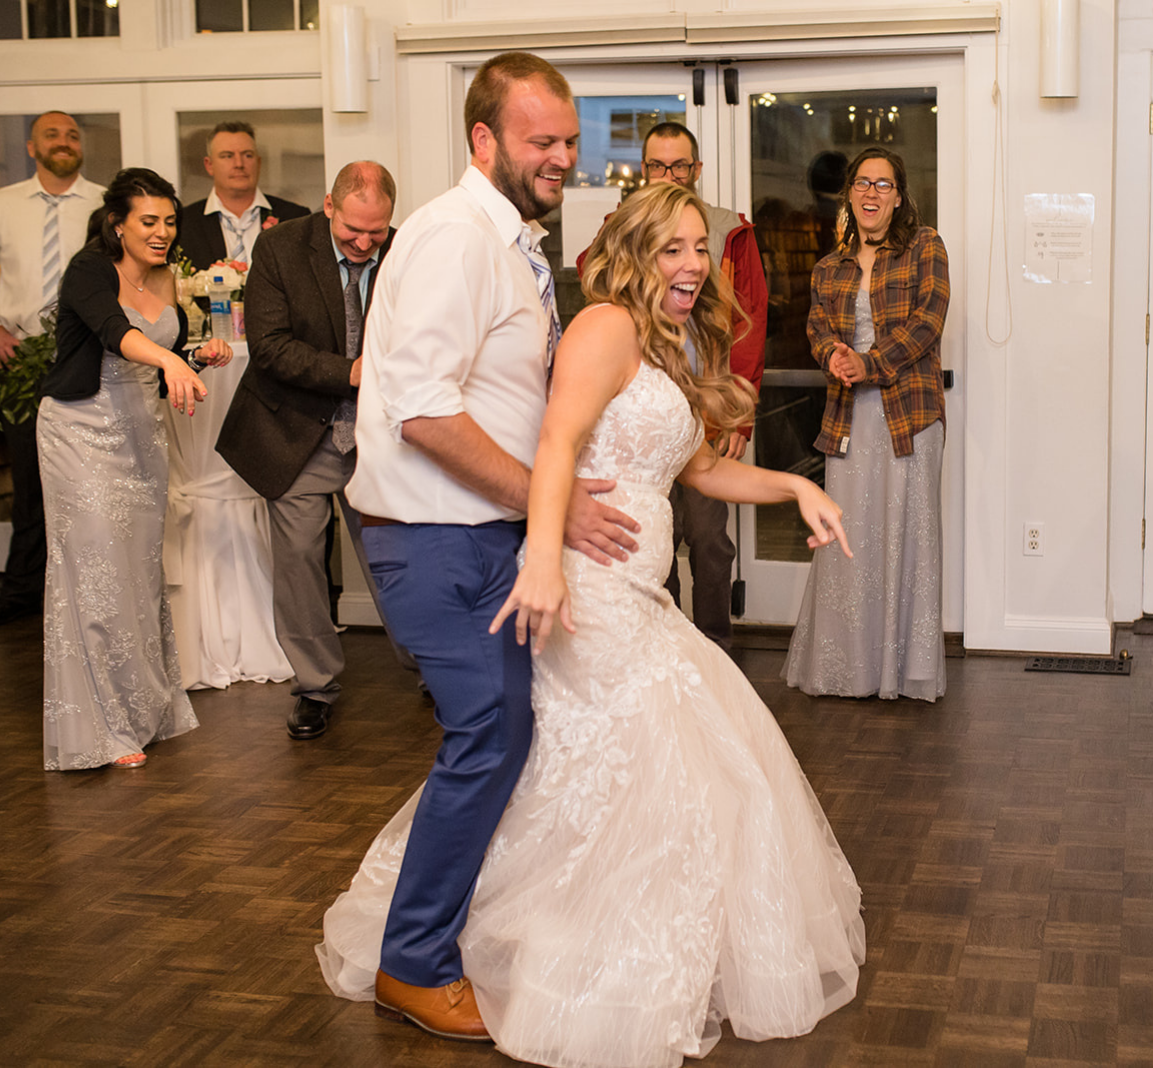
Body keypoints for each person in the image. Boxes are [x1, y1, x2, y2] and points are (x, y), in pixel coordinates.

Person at [322, 179, 864, 1068]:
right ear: (636, 253)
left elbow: (695, 471)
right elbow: (558, 447)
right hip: (587, 588)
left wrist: (795, 484)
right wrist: (541, 562)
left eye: (701, 249)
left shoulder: (673, 339)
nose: (692, 264)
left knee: (653, 772)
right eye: (674, 248)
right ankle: (545, 951)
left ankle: (591, 939)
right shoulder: (604, 325)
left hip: (642, 593)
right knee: (636, 766)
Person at [315, 53, 638, 1040]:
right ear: (484, 140)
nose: (562, 158)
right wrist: (553, 503)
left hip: (483, 535)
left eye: (571, 142)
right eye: (543, 140)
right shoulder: (455, 237)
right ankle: (412, 964)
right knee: (489, 737)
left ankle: (457, 930)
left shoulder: (512, 241)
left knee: (509, 739)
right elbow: (420, 411)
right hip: (436, 540)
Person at [34, 168, 232, 770]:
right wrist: (170, 366)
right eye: (149, 221)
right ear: (117, 223)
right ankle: (105, 728)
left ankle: (147, 709)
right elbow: (117, 333)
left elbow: (159, 346)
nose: (162, 232)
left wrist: (192, 355)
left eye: (170, 221)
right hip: (80, 432)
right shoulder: (89, 271)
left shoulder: (168, 275)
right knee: (96, 575)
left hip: (141, 436)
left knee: (138, 574)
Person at [216, 160, 409, 739]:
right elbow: (270, 346)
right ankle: (314, 686)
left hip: (381, 437)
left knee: (395, 557)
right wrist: (354, 374)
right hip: (298, 430)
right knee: (300, 559)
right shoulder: (279, 249)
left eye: (376, 231)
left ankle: (432, 671)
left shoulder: (406, 252)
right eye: (354, 229)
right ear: (329, 206)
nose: (364, 242)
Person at [576, 121, 767, 651]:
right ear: (644, 171)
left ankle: (714, 647)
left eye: (678, 166)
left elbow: (750, 324)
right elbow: (593, 279)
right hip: (635, 430)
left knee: (708, 539)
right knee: (650, 538)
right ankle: (668, 638)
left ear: (696, 171)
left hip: (702, 417)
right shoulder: (623, 230)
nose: (667, 175)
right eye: (657, 166)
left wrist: (738, 417)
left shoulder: (729, 233)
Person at [783, 146, 950, 701]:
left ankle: (901, 673)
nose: (872, 193)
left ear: (899, 196)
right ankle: (846, 669)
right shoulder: (829, 266)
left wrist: (869, 363)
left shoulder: (926, 246)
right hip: (849, 416)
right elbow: (816, 328)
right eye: (862, 183)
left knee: (908, 537)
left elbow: (928, 322)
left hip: (911, 416)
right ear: (849, 193)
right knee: (847, 537)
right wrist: (833, 353)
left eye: (883, 184)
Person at [0, 111, 105, 627]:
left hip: (86, 358)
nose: (63, 142)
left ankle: (84, 589)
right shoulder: (3, 204)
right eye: (52, 135)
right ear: (30, 146)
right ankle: (22, 590)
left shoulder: (106, 204)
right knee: (30, 481)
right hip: (18, 360)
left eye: (71, 135)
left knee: (84, 481)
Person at [175, 121, 309, 271]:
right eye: (227, 156)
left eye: (247, 155)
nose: (239, 163)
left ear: (258, 162)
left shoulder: (296, 219)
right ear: (209, 165)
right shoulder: (184, 224)